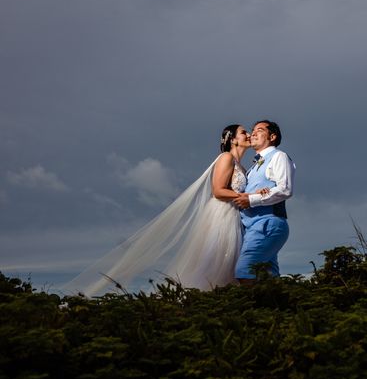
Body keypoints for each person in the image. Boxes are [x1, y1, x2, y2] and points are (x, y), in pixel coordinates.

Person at [64, 124, 252, 296]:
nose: (249, 135)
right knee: (213, 262)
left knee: (229, 263)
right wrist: (245, 197)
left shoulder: (241, 166)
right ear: (233, 139)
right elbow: (218, 190)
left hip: (234, 214)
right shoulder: (226, 158)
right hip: (222, 214)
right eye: (244, 132)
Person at [233, 120, 295, 282]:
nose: (252, 133)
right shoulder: (253, 167)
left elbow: (285, 189)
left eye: (259, 130)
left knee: (244, 271)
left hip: (268, 224)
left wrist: (252, 200)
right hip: (253, 227)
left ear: (272, 136)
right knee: (269, 277)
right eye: (252, 130)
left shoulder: (279, 156)